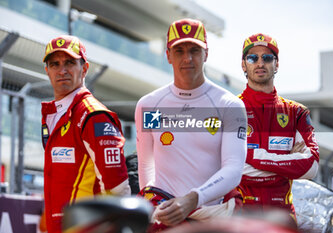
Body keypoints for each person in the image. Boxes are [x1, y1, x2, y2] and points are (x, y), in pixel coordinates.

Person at [135, 18, 247, 231]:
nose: (187, 58)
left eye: (194, 50)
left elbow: (233, 168)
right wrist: (155, 206)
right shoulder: (149, 105)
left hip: (211, 219)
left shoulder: (229, 105)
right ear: (168, 55)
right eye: (179, 51)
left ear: (206, 54)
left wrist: (193, 199)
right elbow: (146, 164)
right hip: (165, 219)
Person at [41, 35, 130, 233]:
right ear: (47, 70)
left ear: (85, 68)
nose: (62, 70)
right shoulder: (53, 115)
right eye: (55, 64)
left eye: (70, 62)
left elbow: (119, 189)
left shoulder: (93, 116)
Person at [236, 33, 320, 223]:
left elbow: (311, 166)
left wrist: (251, 156)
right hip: (240, 216)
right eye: (252, 57)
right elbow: (228, 166)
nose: (260, 63)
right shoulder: (230, 108)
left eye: (267, 57)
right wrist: (288, 163)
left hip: (284, 218)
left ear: (277, 64)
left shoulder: (297, 112)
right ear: (243, 64)